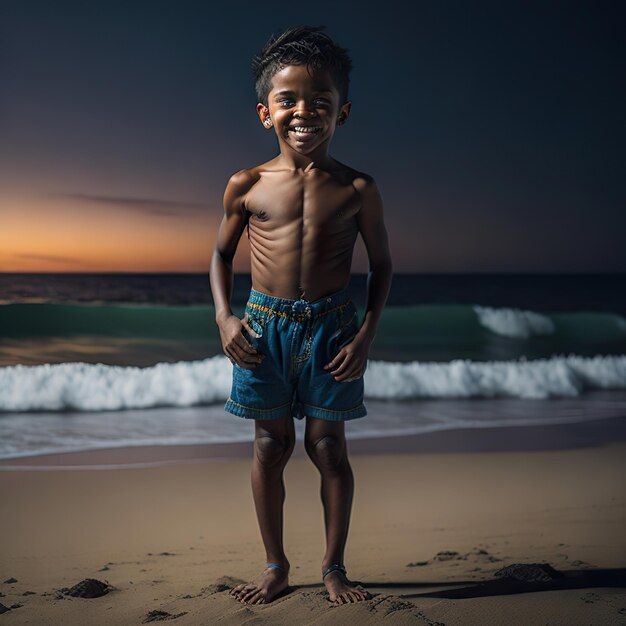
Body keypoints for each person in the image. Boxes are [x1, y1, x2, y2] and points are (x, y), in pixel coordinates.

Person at [209, 25, 392, 606]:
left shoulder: (358, 188)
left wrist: (365, 333)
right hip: (263, 327)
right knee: (270, 446)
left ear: (343, 112)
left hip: (333, 327)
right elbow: (220, 254)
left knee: (328, 448)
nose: (303, 112)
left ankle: (334, 566)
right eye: (288, 100)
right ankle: (276, 566)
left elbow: (382, 266)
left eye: (321, 102)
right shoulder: (248, 184)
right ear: (266, 112)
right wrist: (225, 318)